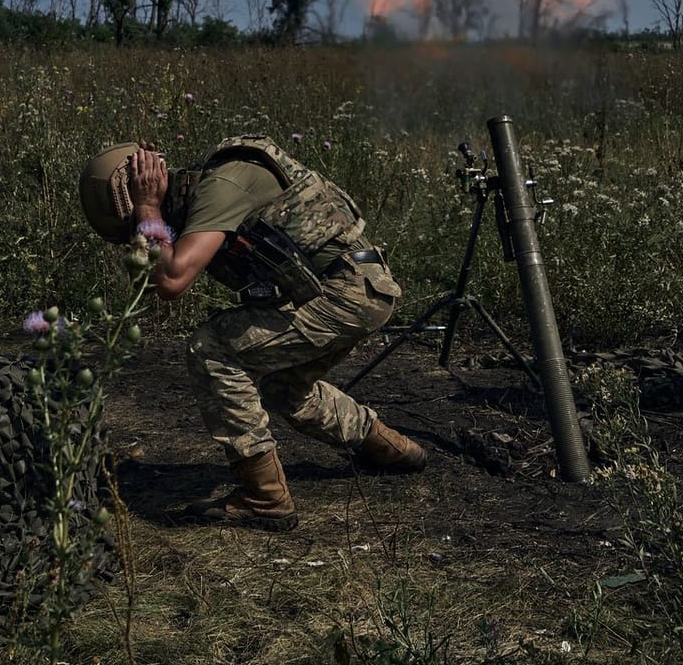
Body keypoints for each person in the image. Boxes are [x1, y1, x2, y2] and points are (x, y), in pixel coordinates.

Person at [79, 136, 428, 532]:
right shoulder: (206, 196)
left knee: (211, 347)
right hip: (351, 291)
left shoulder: (220, 186)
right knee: (286, 390)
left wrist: (145, 207)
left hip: (346, 291)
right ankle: (393, 449)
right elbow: (154, 281)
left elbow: (173, 280)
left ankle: (265, 497)